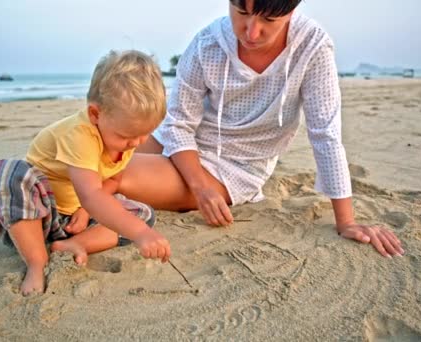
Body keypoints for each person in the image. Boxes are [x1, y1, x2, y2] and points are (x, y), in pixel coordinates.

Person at [117, 0, 404, 258]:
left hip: (232, 168)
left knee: (109, 174)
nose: (251, 32)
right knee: (88, 147)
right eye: (242, 12)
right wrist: (199, 187)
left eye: (268, 20)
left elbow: (325, 134)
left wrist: (347, 222)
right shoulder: (207, 43)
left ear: (291, 10)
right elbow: (178, 123)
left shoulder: (312, 46)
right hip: (181, 142)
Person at [0, 50, 171, 296]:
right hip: (34, 215)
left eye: (145, 134)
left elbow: (110, 179)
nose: (136, 143)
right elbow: (91, 194)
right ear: (95, 114)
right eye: (126, 136)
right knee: (11, 172)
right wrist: (141, 235)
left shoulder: (122, 139)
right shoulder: (80, 135)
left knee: (142, 214)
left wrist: (84, 211)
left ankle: (72, 245)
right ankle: (36, 262)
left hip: (74, 221)